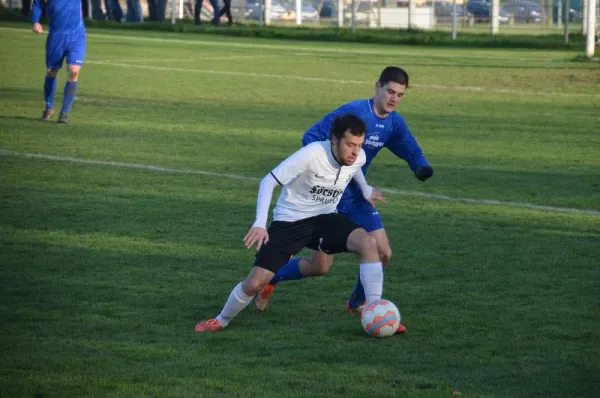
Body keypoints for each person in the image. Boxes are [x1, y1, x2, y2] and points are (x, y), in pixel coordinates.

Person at [255, 66, 434, 322]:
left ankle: (360, 305)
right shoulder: (354, 113)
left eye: (400, 94)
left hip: (357, 197)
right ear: (377, 87)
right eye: (390, 91)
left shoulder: (393, 122)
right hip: (327, 198)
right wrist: (328, 170)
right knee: (320, 267)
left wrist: (420, 165)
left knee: (383, 252)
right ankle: (272, 277)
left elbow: (407, 145)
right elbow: (312, 136)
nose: (394, 98)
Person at [195, 114, 388, 333]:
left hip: (325, 218)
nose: (356, 152)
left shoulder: (357, 156)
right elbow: (268, 181)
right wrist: (259, 223)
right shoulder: (311, 155)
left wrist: (365, 189)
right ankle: (221, 320)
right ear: (334, 140)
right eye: (350, 145)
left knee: (361, 248)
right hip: (291, 222)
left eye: (359, 145)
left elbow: (355, 169)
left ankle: (376, 312)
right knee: (254, 283)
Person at [32, 0, 86, 123]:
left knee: (73, 71)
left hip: (76, 36)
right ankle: (49, 108)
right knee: (52, 71)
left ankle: (64, 113)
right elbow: (37, 4)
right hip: (56, 37)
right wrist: (35, 21)